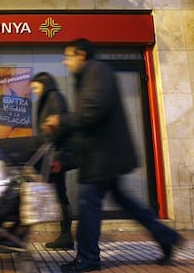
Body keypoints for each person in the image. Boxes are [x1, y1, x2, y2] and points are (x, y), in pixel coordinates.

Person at [41, 38, 184, 272]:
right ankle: (166, 236)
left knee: (88, 205)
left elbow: (92, 110)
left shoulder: (97, 71)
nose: (65, 62)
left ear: (81, 54)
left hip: (101, 155)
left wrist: (61, 120)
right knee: (125, 202)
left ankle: (88, 258)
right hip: (104, 154)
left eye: (68, 56)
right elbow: (88, 114)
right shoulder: (91, 74)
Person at [30, 72, 76, 249]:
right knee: (57, 194)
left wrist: (48, 133)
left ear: (44, 84)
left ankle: (66, 236)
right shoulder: (48, 98)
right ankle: (65, 236)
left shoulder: (54, 97)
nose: (34, 91)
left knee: (59, 195)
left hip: (56, 155)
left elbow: (60, 125)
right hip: (51, 154)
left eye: (36, 87)